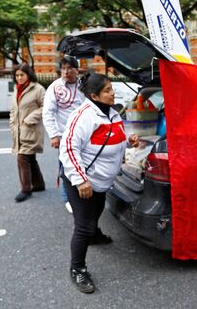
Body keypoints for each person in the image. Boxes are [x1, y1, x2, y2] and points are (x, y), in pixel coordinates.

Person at [59, 73, 138, 293]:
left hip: (101, 181)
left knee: (97, 210)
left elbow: (114, 140)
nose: (112, 93)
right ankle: (77, 269)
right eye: (107, 91)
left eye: (112, 88)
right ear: (94, 95)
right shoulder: (84, 116)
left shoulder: (112, 114)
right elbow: (68, 148)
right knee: (83, 226)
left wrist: (129, 142)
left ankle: (95, 235)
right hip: (82, 180)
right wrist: (80, 180)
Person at [43, 55, 86, 213]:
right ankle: (67, 198)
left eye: (70, 68)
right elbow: (47, 113)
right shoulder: (55, 87)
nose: (67, 72)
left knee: (83, 164)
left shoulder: (83, 86)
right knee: (66, 166)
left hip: (83, 134)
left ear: (77, 70)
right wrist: (54, 135)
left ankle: (82, 193)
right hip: (64, 135)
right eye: (64, 69)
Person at [10, 63, 47, 202]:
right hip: (18, 130)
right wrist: (12, 123)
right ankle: (39, 184)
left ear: (28, 75)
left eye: (22, 75)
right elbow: (14, 110)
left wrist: (31, 118)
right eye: (17, 75)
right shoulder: (16, 89)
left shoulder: (38, 89)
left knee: (22, 157)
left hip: (31, 129)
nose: (19, 78)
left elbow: (46, 107)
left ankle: (26, 189)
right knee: (30, 158)